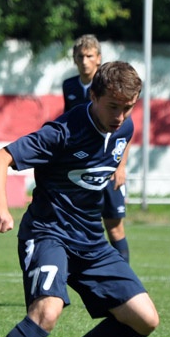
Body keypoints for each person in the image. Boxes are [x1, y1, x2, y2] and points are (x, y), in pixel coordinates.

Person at [0, 61, 160, 337]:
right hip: (48, 233)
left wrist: (119, 167)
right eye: (113, 107)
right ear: (93, 97)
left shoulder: (124, 127)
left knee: (145, 320)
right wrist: (0, 205)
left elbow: (115, 149)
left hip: (91, 240)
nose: (120, 116)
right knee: (47, 311)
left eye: (128, 108)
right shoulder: (62, 132)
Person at [62, 35, 131, 262]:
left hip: (107, 165)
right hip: (80, 168)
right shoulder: (69, 86)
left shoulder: (108, 87)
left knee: (114, 227)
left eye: (89, 56)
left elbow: (125, 129)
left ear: (99, 58)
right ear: (74, 59)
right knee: (73, 225)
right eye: (80, 56)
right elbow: (68, 123)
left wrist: (120, 166)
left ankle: (123, 277)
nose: (85, 61)